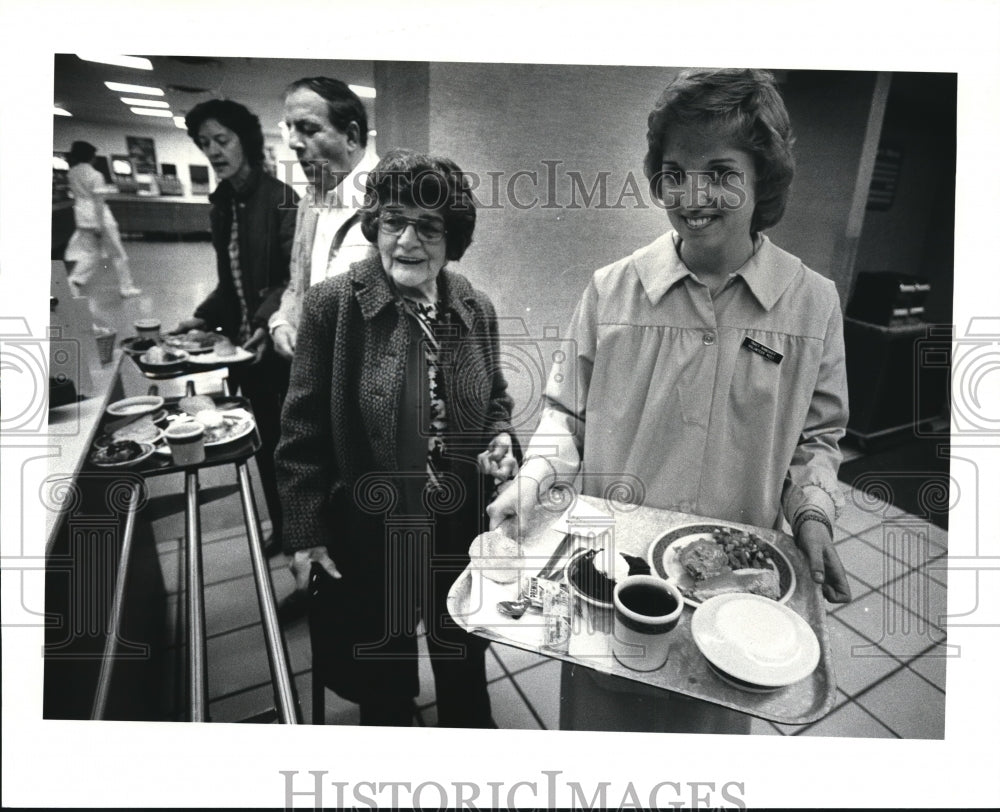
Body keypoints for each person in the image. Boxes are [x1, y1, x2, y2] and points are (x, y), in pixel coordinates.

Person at [487, 68, 851, 734]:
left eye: (719, 170)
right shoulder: (610, 291)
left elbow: (817, 441)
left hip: (739, 596)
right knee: (599, 744)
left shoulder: (812, 302)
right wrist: (535, 478)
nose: (693, 194)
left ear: (762, 177)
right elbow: (567, 415)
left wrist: (815, 517)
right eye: (674, 172)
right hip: (609, 580)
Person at [275, 149, 519, 727]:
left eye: (428, 227)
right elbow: (301, 428)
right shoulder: (333, 305)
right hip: (369, 522)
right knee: (381, 658)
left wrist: (501, 437)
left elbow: (496, 399)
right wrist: (305, 529)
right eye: (393, 222)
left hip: (454, 515)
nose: (407, 241)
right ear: (375, 225)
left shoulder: (472, 306)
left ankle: (468, 723)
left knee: (459, 635)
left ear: (451, 236)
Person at [172, 99, 298, 558]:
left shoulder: (282, 198)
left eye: (221, 140)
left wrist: (265, 320)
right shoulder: (223, 203)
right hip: (241, 351)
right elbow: (231, 281)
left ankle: (298, 536)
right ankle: (283, 529)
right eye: (205, 143)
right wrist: (203, 317)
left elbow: (291, 278)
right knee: (259, 443)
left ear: (245, 140)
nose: (213, 151)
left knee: (288, 451)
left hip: (278, 348)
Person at [268, 77, 379, 361]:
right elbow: (297, 285)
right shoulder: (309, 203)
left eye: (308, 129)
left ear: (351, 136)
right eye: (290, 128)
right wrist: (282, 322)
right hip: (315, 377)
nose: (293, 142)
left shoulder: (395, 200)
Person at [64, 140, 142, 298]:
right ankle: (126, 288)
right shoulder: (96, 175)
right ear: (91, 157)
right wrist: (99, 225)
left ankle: (73, 281)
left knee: (90, 253)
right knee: (118, 254)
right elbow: (98, 203)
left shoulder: (71, 173)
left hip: (81, 217)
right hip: (99, 220)